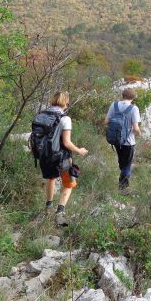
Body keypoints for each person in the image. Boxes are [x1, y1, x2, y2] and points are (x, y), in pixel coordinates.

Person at [41, 91, 88, 226]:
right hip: (62, 157)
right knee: (69, 183)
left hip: (45, 155)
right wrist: (79, 151)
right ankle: (60, 212)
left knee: (50, 178)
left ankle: (48, 207)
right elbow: (66, 143)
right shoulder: (64, 118)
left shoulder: (42, 115)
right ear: (66, 102)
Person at [105, 87, 141, 190]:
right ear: (133, 98)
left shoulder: (114, 105)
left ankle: (122, 180)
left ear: (123, 95)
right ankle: (123, 188)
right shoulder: (134, 108)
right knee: (127, 165)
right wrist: (139, 133)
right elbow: (135, 128)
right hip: (128, 142)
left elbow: (106, 121)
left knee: (122, 162)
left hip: (116, 140)